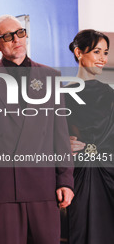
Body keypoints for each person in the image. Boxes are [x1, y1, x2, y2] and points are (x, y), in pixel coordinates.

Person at [0, 15, 74, 244]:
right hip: (3, 192)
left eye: (20, 33)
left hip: (45, 189)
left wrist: (65, 179)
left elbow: (60, 135)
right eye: (7, 36)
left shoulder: (51, 77)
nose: (16, 39)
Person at [66, 29, 114, 244]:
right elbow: (44, 138)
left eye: (105, 52)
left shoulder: (111, 96)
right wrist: (59, 144)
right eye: (97, 51)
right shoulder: (61, 96)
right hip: (78, 176)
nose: (102, 58)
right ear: (79, 52)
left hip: (110, 175)